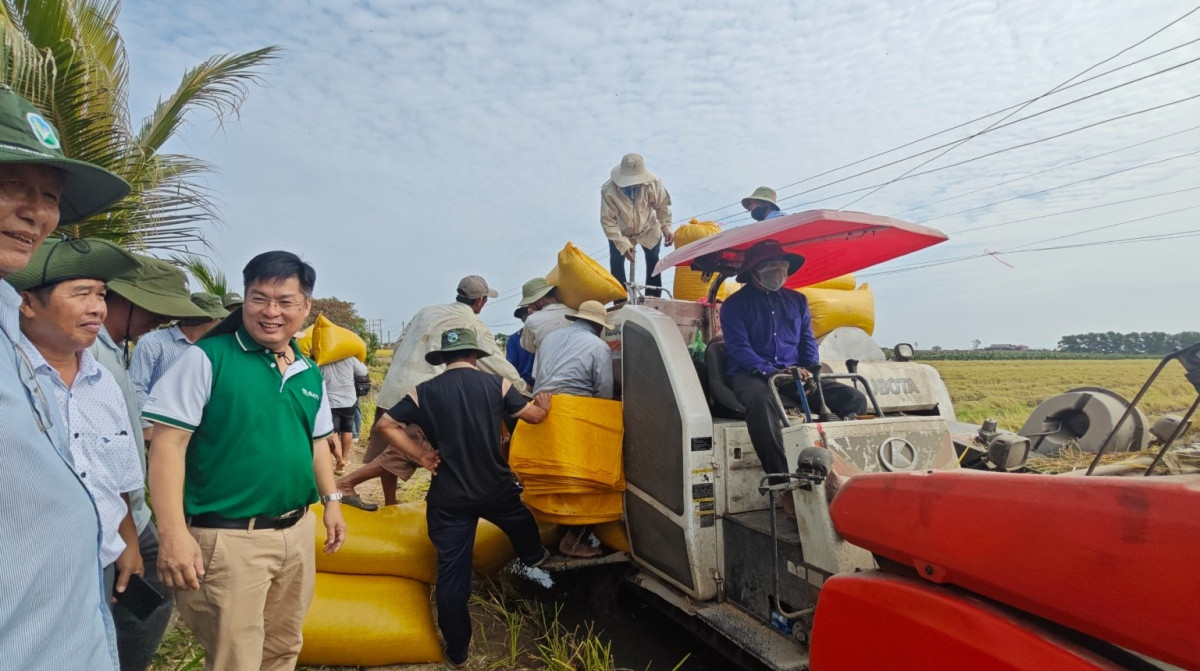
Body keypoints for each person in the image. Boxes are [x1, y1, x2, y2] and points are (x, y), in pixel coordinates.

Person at [144, 250, 347, 671]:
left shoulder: (309, 372)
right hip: (229, 539)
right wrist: (173, 534)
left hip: (295, 532)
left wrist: (331, 502)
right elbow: (168, 445)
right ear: (244, 299)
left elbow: (316, 445)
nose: (271, 312)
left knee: (284, 646)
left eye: (285, 301)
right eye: (259, 298)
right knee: (236, 659)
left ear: (306, 307)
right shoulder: (207, 358)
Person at [0, 85, 131, 671]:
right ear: (36, 304)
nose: (37, 211)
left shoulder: (18, 335)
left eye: (50, 196)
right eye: (12, 186)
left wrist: (125, 535)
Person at [375, 327, 552, 669]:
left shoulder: (423, 392)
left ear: (442, 359)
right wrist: (543, 406)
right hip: (496, 489)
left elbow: (385, 425)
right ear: (475, 356)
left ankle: (457, 652)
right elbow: (533, 416)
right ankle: (534, 557)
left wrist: (422, 456)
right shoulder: (496, 385)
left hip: (449, 495)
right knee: (520, 520)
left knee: (453, 576)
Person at [9, 237, 146, 622]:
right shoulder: (11, 381)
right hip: (34, 570)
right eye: (81, 294)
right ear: (27, 302)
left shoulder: (101, 380)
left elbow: (114, 477)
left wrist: (128, 543)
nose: (97, 309)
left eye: (101, 294)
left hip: (100, 559)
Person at [93, 254, 210, 671]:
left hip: (130, 504)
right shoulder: (93, 355)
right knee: (134, 597)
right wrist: (127, 528)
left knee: (135, 598)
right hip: (118, 510)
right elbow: (98, 453)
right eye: (154, 310)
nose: (159, 321)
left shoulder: (111, 349)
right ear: (123, 300)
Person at [337, 275, 528, 511]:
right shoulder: (473, 326)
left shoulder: (427, 312)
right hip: (422, 395)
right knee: (404, 453)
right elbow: (496, 363)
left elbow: (399, 343)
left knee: (388, 449)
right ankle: (346, 484)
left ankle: (390, 503)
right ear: (481, 301)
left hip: (393, 386)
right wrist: (522, 389)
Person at [719, 241, 868, 514]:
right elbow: (740, 350)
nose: (778, 271)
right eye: (770, 267)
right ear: (754, 271)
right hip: (752, 374)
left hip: (795, 374)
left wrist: (811, 371)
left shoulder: (797, 301)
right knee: (762, 403)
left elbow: (807, 342)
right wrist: (772, 372)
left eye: (782, 267)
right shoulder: (733, 306)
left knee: (854, 398)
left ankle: (841, 469)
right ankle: (782, 482)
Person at [531, 300, 615, 557]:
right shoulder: (599, 346)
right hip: (574, 415)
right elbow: (604, 393)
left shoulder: (549, 338)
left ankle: (558, 530)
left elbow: (536, 376)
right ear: (598, 326)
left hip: (542, 411)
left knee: (555, 479)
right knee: (589, 479)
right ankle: (573, 538)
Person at [129, 291, 228, 432]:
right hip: (161, 430)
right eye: (218, 318)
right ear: (203, 318)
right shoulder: (152, 343)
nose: (220, 323)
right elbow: (136, 388)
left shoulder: (215, 348)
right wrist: (148, 426)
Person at [601, 152, 673, 296]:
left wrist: (666, 228)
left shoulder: (654, 183)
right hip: (620, 231)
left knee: (653, 262)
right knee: (616, 264)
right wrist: (623, 244)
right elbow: (608, 221)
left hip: (649, 228)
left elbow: (662, 206)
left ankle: (653, 302)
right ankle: (620, 302)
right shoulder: (608, 189)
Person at [319, 351, 369, 475]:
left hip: (330, 402)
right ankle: (345, 459)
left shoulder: (322, 358)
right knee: (347, 429)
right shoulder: (349, 357)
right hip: (349, 400)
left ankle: (339, 459)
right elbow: (363, 371)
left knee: (332, 432)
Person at [517, 277, 575, 353]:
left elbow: (529, 348)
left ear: (541, 300)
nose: (530, 307)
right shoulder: (576, 313)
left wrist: (532, 318)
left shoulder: (532, 320)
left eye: (530, 304)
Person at [507, 304, 535, 388]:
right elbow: (511, 367)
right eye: (524, 313)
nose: (526, 315)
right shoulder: (514, 339)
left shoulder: (543, 335)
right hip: (524, 381)